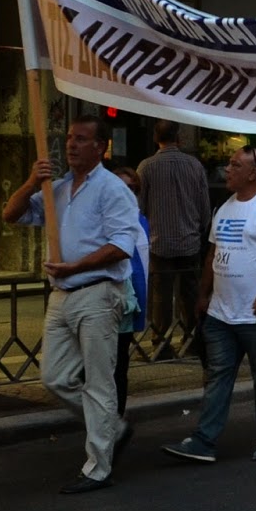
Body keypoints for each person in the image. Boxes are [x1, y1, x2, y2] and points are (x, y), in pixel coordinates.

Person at [1, 116, 141, 493]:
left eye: (81, 139)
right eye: (69, 139)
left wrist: (75, 265)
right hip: (61, 295)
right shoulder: (57, 189)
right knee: (53, 376)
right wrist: (32, 181)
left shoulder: (113, 190)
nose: (71, 145)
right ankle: (112, 427)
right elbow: (10, 214)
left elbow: (120, 246)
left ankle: (98, 467)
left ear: (101, 147)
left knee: (99, 382)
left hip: (97, 292)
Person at [162, 146, 256, 465]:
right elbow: (211, 255)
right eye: (228, 164)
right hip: (222, 313)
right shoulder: (223, 209)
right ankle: (204, 440)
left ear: (253, 173)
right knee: (218, 376)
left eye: (234, 165)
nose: (227, 169)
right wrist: (203, 294)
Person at [135, 120, 210, 360]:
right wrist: (198, 229)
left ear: (156, 138)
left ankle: (160, 343)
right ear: (179, 138)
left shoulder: (146, 167)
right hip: (189, 241)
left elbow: (139, 207)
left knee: (161, 295)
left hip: (159, 242)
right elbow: (204, 208)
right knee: (190, 292)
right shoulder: (195, 166)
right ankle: (193, 340)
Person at [111, 166, 151, 418]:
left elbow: (143, 268)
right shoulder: (108, 219)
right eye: (120, 188)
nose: (126, 193)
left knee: (119, 366)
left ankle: (116, 420)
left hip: (128, 303)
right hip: (106, 301)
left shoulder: (141, 220)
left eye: (131, 188)